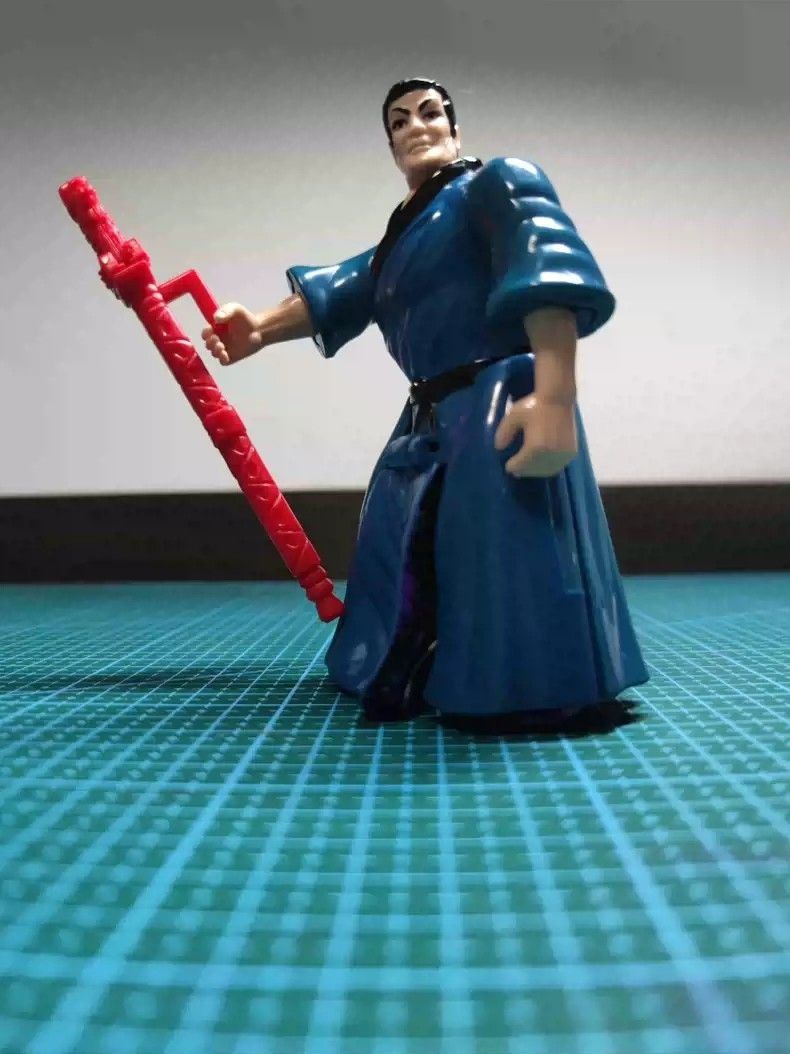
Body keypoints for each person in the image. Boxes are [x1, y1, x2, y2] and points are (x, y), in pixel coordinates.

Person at [202, 77, 648, 723]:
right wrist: (261, 328)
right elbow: (346, 289)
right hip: (432, 413)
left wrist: (554, 395)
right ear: (391, 146)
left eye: (429, 113)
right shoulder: (404, 236)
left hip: (498, 398)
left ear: (454, 128)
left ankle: (524, 684)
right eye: (399, 121)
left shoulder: (496, 185)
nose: (416, 127)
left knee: (500, 546)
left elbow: (545, 272)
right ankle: (408, 661)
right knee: (399, 541)